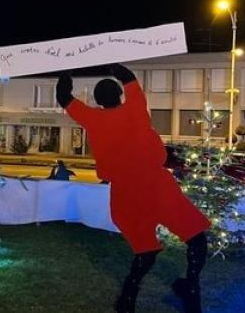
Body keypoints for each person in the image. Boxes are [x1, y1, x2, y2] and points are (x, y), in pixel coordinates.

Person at [56, 64, 210, 313]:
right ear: (119, 95)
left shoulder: (92, 119)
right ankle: (191, 291)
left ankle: (127, 298)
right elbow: (129, 78)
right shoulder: (135, 110)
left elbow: (64, 97)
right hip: (157, 185)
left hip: (126, 192)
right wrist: (111, 63)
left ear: (97, 100)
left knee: (145, 248)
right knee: (196, 238)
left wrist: (68, 71)